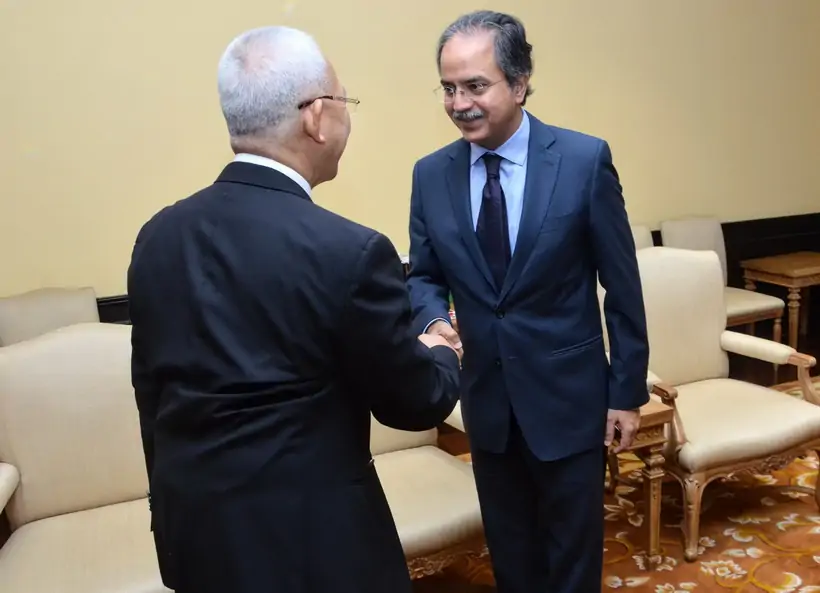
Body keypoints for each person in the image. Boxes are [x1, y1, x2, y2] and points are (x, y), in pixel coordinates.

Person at [128, 25, 461, 593]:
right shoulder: (349, 252)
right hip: (313, 550)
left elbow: (151, 394)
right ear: (316, 117)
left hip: (196, 533)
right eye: (345, 100)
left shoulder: (158, 235)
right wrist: (440, 352)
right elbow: (412, 401)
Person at [406, 11, 650, 593]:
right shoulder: (430, 175)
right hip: (487, 405)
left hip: (570, 402)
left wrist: (626, 392)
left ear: (519, 84)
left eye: (475, 85)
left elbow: (622, 286)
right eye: (448, 88)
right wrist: (435, 320)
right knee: (512, 559)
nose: (459, 103)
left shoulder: (583, 162)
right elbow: (423, 277)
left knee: (573, 561)